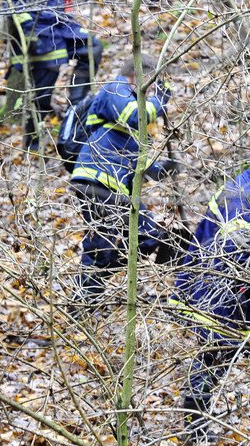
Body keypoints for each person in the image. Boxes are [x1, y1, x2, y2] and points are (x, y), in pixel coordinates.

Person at [169, 152, 250, 436]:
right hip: (215, 290)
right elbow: (234, 250)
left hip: (239, 291)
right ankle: (194, 426)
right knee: (217, 355)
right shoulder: (241, 199)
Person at [69, 54, 179, 301]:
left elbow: (136, 163)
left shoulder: (128, 100)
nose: (152, 88)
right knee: (107, 242)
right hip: (96, 180)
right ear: (141, 76)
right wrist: (159, 101)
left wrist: (163, 168)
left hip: (113, 186)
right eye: (152, 81)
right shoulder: (115, 89)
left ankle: (91, 286)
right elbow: (134, 116)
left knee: (139, 236)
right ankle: (85, 296)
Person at [3, 0, 103, 148]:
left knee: (92, 47)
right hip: (38, 32)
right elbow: (12, 2)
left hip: (61, 27)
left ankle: (75, 109)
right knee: (43, 87)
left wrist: (73, 24)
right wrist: (30, 34)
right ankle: (32, 141)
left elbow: (62, 1)